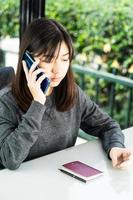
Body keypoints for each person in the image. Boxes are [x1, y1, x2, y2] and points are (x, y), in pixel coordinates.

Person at [0, 18, 132, 170]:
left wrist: (115, 147)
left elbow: (107, 126)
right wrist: (37, 103)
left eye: (64, 59)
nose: (58, 70)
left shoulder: (71, 92)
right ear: (27, 59)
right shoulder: (6, 102)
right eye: (48, 59)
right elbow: (10, 159)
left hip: (61, 183)